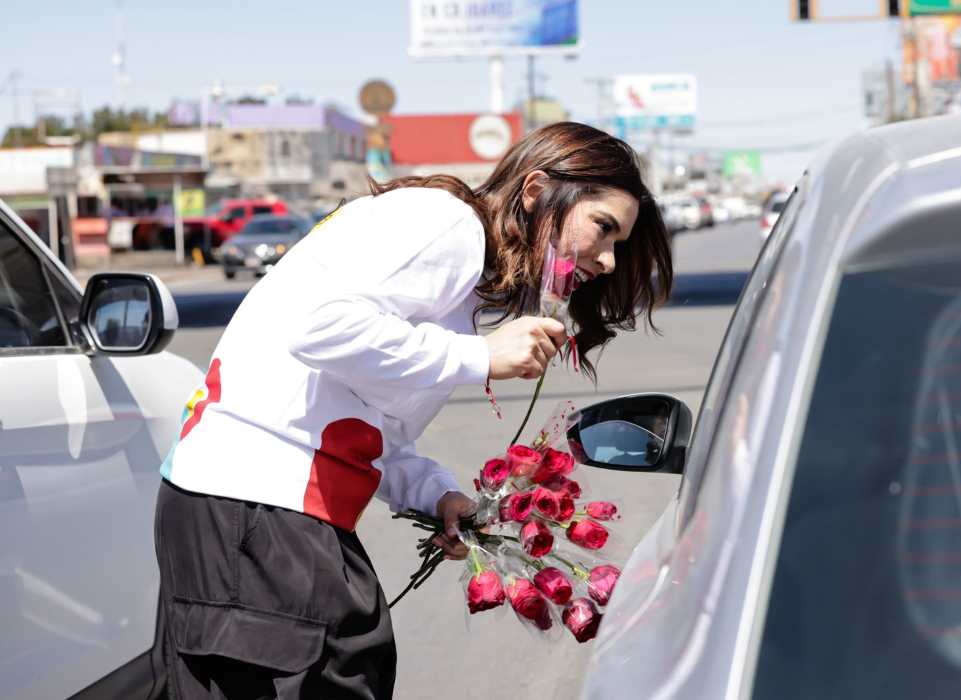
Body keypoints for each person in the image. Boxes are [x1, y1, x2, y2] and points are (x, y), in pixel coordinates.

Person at [153, 121, 674, 699]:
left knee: (349, 662)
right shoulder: (447, 225)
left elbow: (372, 424)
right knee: (342, 666)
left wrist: (437, 494)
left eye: (617, 247)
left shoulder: (469, 277)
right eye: (603, 229)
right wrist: (478, 355)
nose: (605, 260)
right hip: (252, 499)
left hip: (265, 508)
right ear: (535, 191)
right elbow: (317, 326)